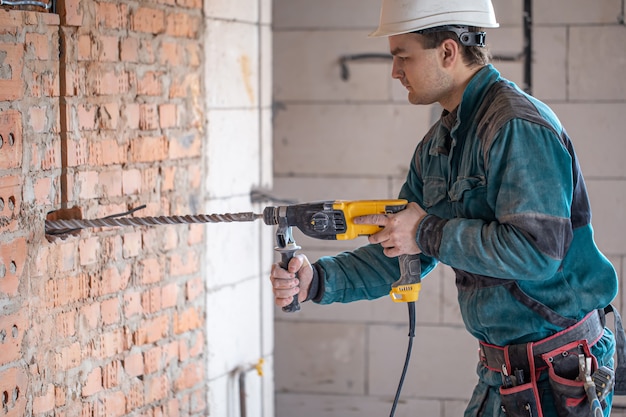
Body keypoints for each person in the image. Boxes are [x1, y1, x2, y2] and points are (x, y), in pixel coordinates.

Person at [269, 0, 623, 415]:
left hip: (557, 370)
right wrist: (318, 281)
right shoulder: (438, 144)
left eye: (403, 57)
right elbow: (400, 249)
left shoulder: (515, 127)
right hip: (503, 373)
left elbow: (536, 252)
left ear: (448, 52)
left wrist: (426, 231)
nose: (395, 72)